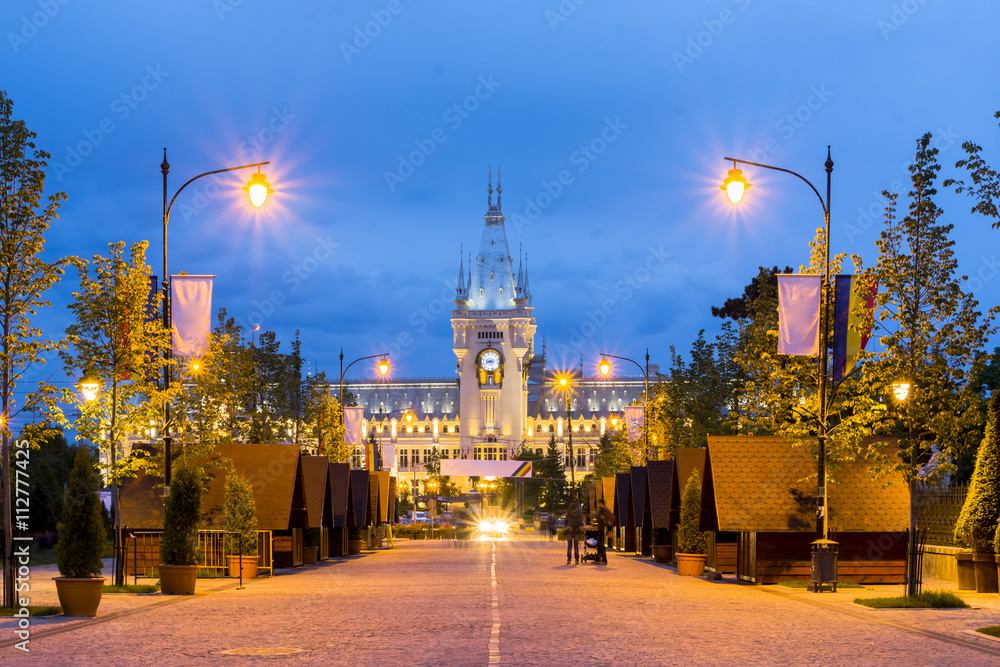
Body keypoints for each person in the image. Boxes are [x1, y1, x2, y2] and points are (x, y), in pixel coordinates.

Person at [593, 499, 616, 565]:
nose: (598, 505)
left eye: (598, 503)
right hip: (602, 528)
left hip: (602, 529)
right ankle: (598, 559)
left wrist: (597, 515)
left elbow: (601, 518)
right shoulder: (605, 510)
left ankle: (604, 560)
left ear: (601, 503)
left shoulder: (604, 510)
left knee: (601, 544)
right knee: (599, 544)